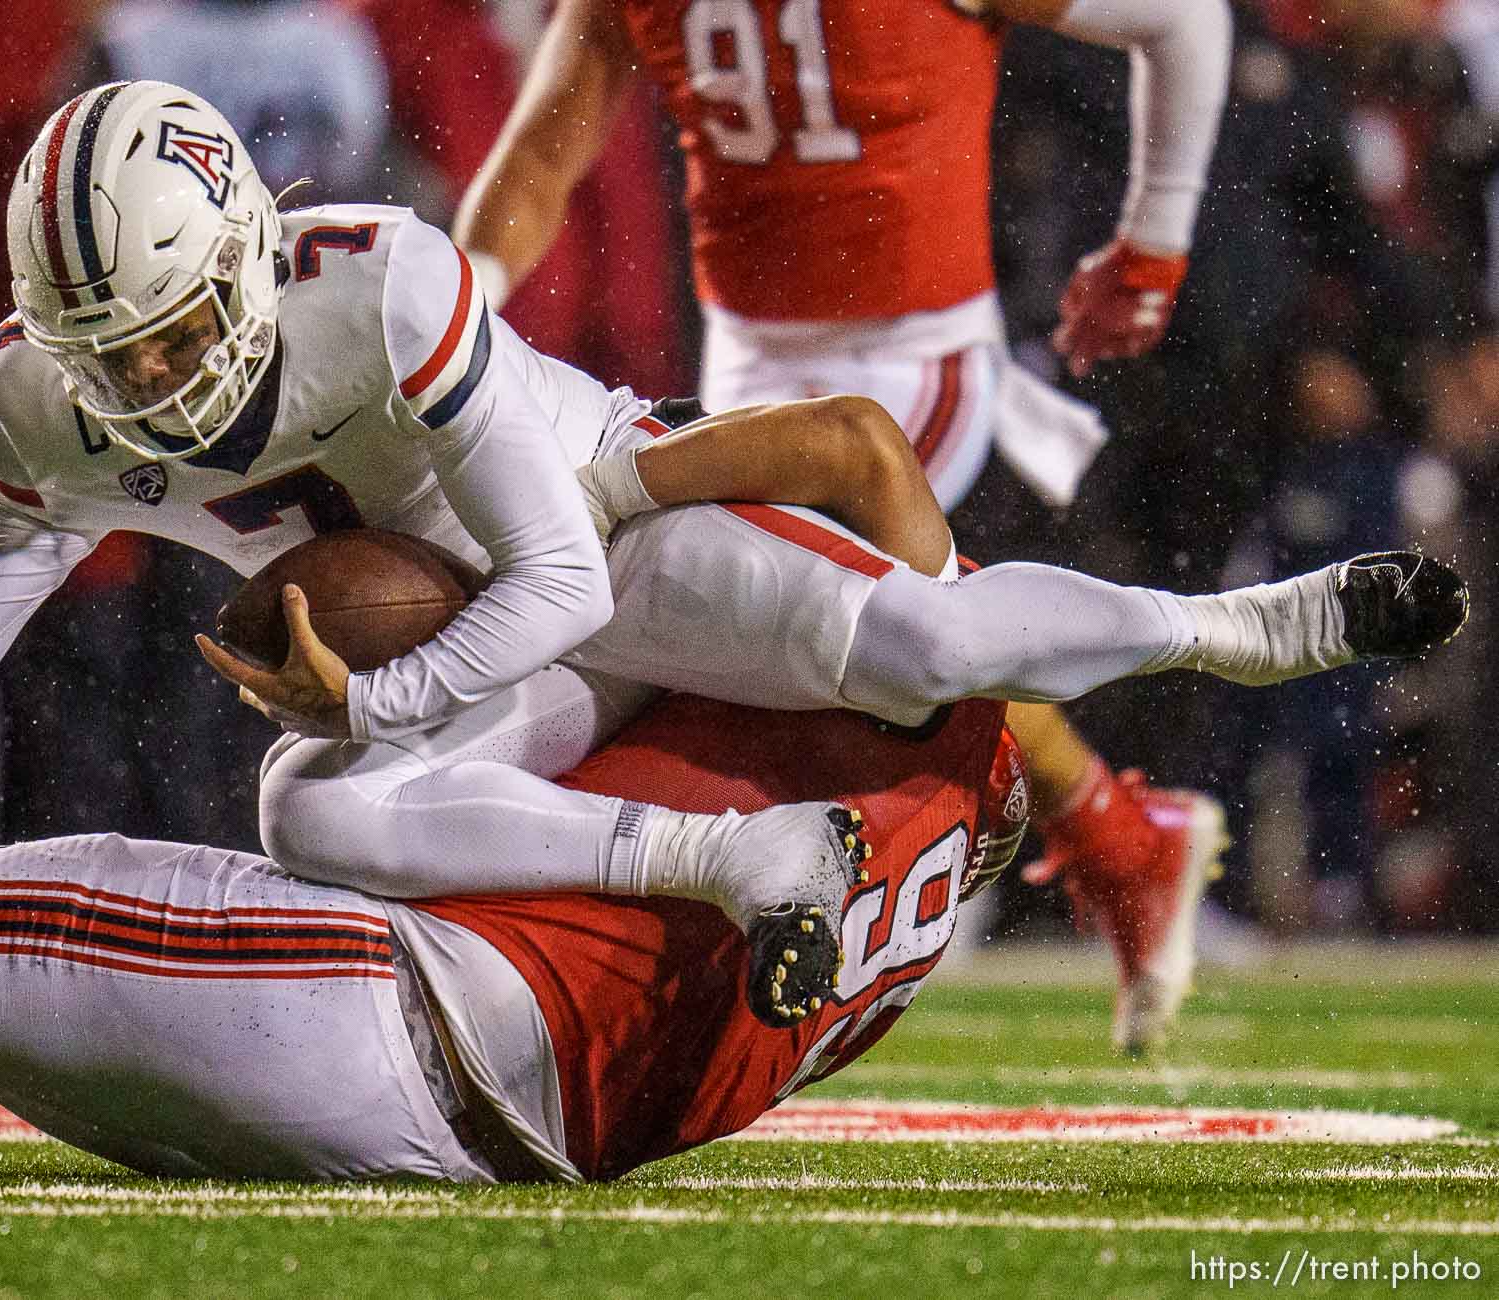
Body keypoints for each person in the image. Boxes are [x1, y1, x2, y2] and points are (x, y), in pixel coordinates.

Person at [0, 81, 1466, 1028]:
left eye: (174, 337)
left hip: (597, 532)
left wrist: (381, 686)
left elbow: (564, 585)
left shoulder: (384, 293)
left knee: (918, 643)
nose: (153, 390)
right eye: (115, 359)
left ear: (252, 255)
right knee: (308, 819)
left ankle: (1237, 627)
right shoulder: (39, 400)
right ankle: (740, 861)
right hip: (477, 649)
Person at [453, 0, 1240, 1051]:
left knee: (835, 622)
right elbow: (539, 162)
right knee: (721, 630)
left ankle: (1038, 837)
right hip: (744, 372)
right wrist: (455, 325)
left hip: (910, 360)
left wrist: (1157, 244)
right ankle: (1107, 830)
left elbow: (1185, 20)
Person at [0, 690, 1027, 1177]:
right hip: (472, 1135)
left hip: (392, 1013)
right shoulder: (936, 854)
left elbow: (836, 465)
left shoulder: (833, 643)